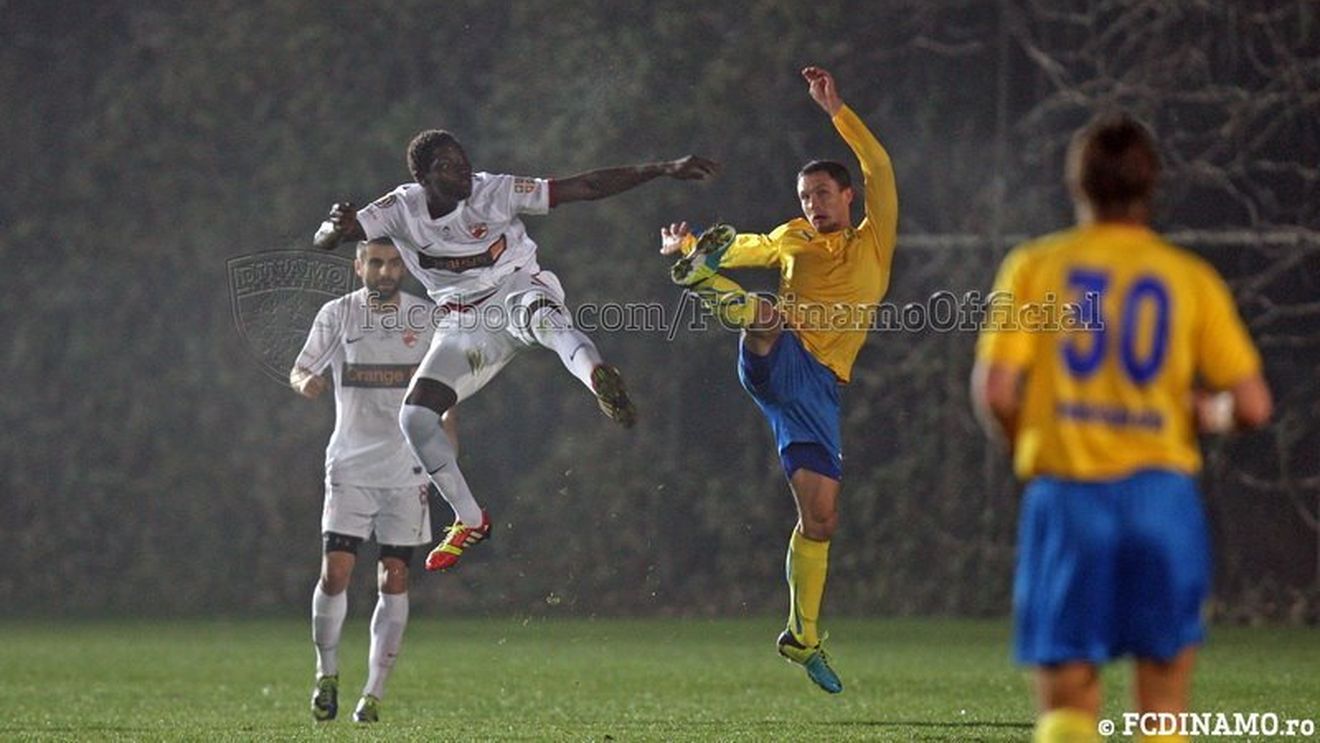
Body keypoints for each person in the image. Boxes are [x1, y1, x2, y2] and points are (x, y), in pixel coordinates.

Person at [971, 113, 1272, 743]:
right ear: (1151, 185)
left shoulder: (1034, 267)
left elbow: (996, 392)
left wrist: (1034, 445)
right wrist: (1204, 413)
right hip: (1162, 500)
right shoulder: (1189, 278)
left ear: (1076, 185)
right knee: (1162, 711)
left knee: (1068, 709)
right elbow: (1252, 407)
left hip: (1070, 496)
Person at [314, 132, 718, 572]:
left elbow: (585, 186)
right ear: (423, 177)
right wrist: (335, 226)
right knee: (414, 418)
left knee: (546, 318)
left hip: (517, 290)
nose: (463, 170)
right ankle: (471, 521)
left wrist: (661, 168)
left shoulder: (495, 190)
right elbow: (329, 237)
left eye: (463, 159)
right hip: (466, 326)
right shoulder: (400, 207)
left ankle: (599, 379)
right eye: (448, 166)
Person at [659, 66, 898, 694]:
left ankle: (802, 636)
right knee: (765, 315)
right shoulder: (792, 237)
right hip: (780, 354)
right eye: (804, 196)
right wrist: (694, 249)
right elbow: (745, 247)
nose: (811, 204)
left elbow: (878, 165)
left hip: (820, 392)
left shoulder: (874, 241)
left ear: (848, 197)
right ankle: (700, 282)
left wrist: (836, 110)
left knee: (821, 520)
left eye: (821, 193)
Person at [290, 237, 456, 723]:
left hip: (407, 466)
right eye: (377, 263)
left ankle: (373, 694)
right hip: (350, 463)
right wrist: (307, 382)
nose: (386, 271)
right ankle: (326, 674)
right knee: (335, 572)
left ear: (404, 268)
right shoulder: (338, 315)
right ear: (359, 266)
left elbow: (448, 390)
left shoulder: (425, 317)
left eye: (395, 263)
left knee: (395, 576)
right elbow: (301, 368)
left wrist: (448, 443)